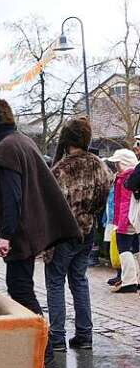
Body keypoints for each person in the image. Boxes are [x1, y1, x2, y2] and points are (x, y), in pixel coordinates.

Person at [0, 98, 80, 368]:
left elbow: (12, 197)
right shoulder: (21, 142)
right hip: (27, 230)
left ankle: (42, 352)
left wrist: (6, 235)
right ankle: (35, 350)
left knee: (21, 291)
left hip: (20, 234)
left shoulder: (6, 149)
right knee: (21, 290)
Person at [45, 118, 112, 352]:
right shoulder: (99, 165)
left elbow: (51, 206)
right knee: (79, 280)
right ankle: (84, 334)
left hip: (63, 232)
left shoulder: (60, 170)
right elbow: (105, 194)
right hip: (87, 228)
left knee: (55, 282)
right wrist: (90, 212)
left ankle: (57, 337)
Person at [110, 148, 140, 293]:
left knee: (124, 249)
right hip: (133, 219)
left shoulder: (126, 178)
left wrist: (121, 223)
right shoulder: (129, 176)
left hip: (127, 219)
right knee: (136, 249)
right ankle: (136, 279)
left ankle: (129, 281)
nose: (116, 166)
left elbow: (126, 203)